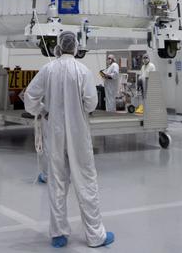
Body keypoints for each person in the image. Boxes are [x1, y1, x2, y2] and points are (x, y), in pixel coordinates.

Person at [23, 31, 114, 248]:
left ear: (57, 48)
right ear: (75, 47)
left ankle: (58, 234)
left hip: (54, 133)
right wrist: (77, 108)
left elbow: (30, 98)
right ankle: (95, 235)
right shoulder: (83, 71)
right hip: (78, 134)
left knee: (56, 182)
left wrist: (43, 110)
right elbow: (91, 103)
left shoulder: (48, 70)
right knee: (86, 182)